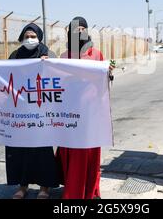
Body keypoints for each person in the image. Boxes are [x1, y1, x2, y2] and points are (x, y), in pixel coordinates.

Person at [55, 16, 113, 199]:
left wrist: (109, 72)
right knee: (73, 152)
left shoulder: (96, 54)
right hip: (71, 112)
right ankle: (72, 190)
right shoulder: (64, 56)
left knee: (89, 152)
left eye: (82, 28)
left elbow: (104, 82)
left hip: (91, 112)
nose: (79, 31)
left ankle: (91, 189)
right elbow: (57, 79)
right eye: (75, 29)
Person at [5, 23, 59, 199]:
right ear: (22, 37)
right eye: (27, 36)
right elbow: (4, 77)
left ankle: (44, 188)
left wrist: (49, 64)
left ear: (39, 37)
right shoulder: (15, 55)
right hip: (20, 110)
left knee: (42, 150)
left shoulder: (47, 54)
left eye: (33, 36)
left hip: (41, 111)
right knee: (21, 150)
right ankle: (23, 186)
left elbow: (58, 76)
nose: (30, 39)